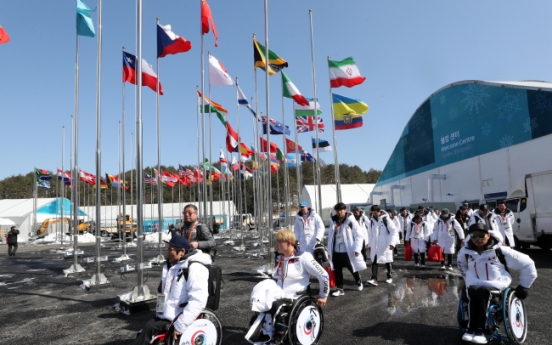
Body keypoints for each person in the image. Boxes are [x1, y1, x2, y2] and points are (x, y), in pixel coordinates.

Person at [245, 229, 328, 344]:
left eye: (279, 242)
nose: (276, 245)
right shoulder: (281, 258)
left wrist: (323, 295)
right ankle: (264, 332)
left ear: (289, 243)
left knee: (275, 304)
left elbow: (324, 275)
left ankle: (274, 336)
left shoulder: (304, 258)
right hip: (280, 292)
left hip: (296, 295)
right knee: (261, 298)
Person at [458, 223, 537, 344]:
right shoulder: (465, 252)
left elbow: (528, 264)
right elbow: (461, 265)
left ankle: (483, 330)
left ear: (488, 235)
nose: (477, 238)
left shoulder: (501, 251)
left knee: (483, 291)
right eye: (473, 235)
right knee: (472, 290)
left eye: (481, 235)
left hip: (496, 285)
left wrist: (524, 286)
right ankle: (471, 328)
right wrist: (468, 278)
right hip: (474, 284)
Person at [134, 235, 212, 345]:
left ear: (182, 251)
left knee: (148, 333)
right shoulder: (171, 267)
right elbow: (163, 293)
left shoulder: (195, 268)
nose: (167, 253)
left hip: (179, 317)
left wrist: (180, 325)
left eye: (170, 250)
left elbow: (198, 300)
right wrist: (159, 313)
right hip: (167, 315)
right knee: (147, 330)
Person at [328, 202, 366, 295]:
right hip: (336, 250)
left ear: (345, 210)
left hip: (347, 250)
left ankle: (358, 280)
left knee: (352, 267)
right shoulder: (333, 221)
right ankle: (340, 289)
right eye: (337, 210)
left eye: (341, 210)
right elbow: (330, 237)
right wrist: (329, 251)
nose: (339, 212)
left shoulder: (350, 221)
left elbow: (359, 236)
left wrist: (357, 249)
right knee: (337, 270)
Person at [366, 205, 399, 286]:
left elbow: (394, 231)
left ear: (379, 211)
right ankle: (374, 279)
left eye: (375, 213)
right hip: (375, 245)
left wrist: (392, 243)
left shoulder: (386, 219)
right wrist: (370, 244)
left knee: (387, 261)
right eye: (373, 213)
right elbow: (370, 234)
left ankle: (389, 276)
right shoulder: (371, 221)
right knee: (374, 261)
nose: (374, 214)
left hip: (385, 244)